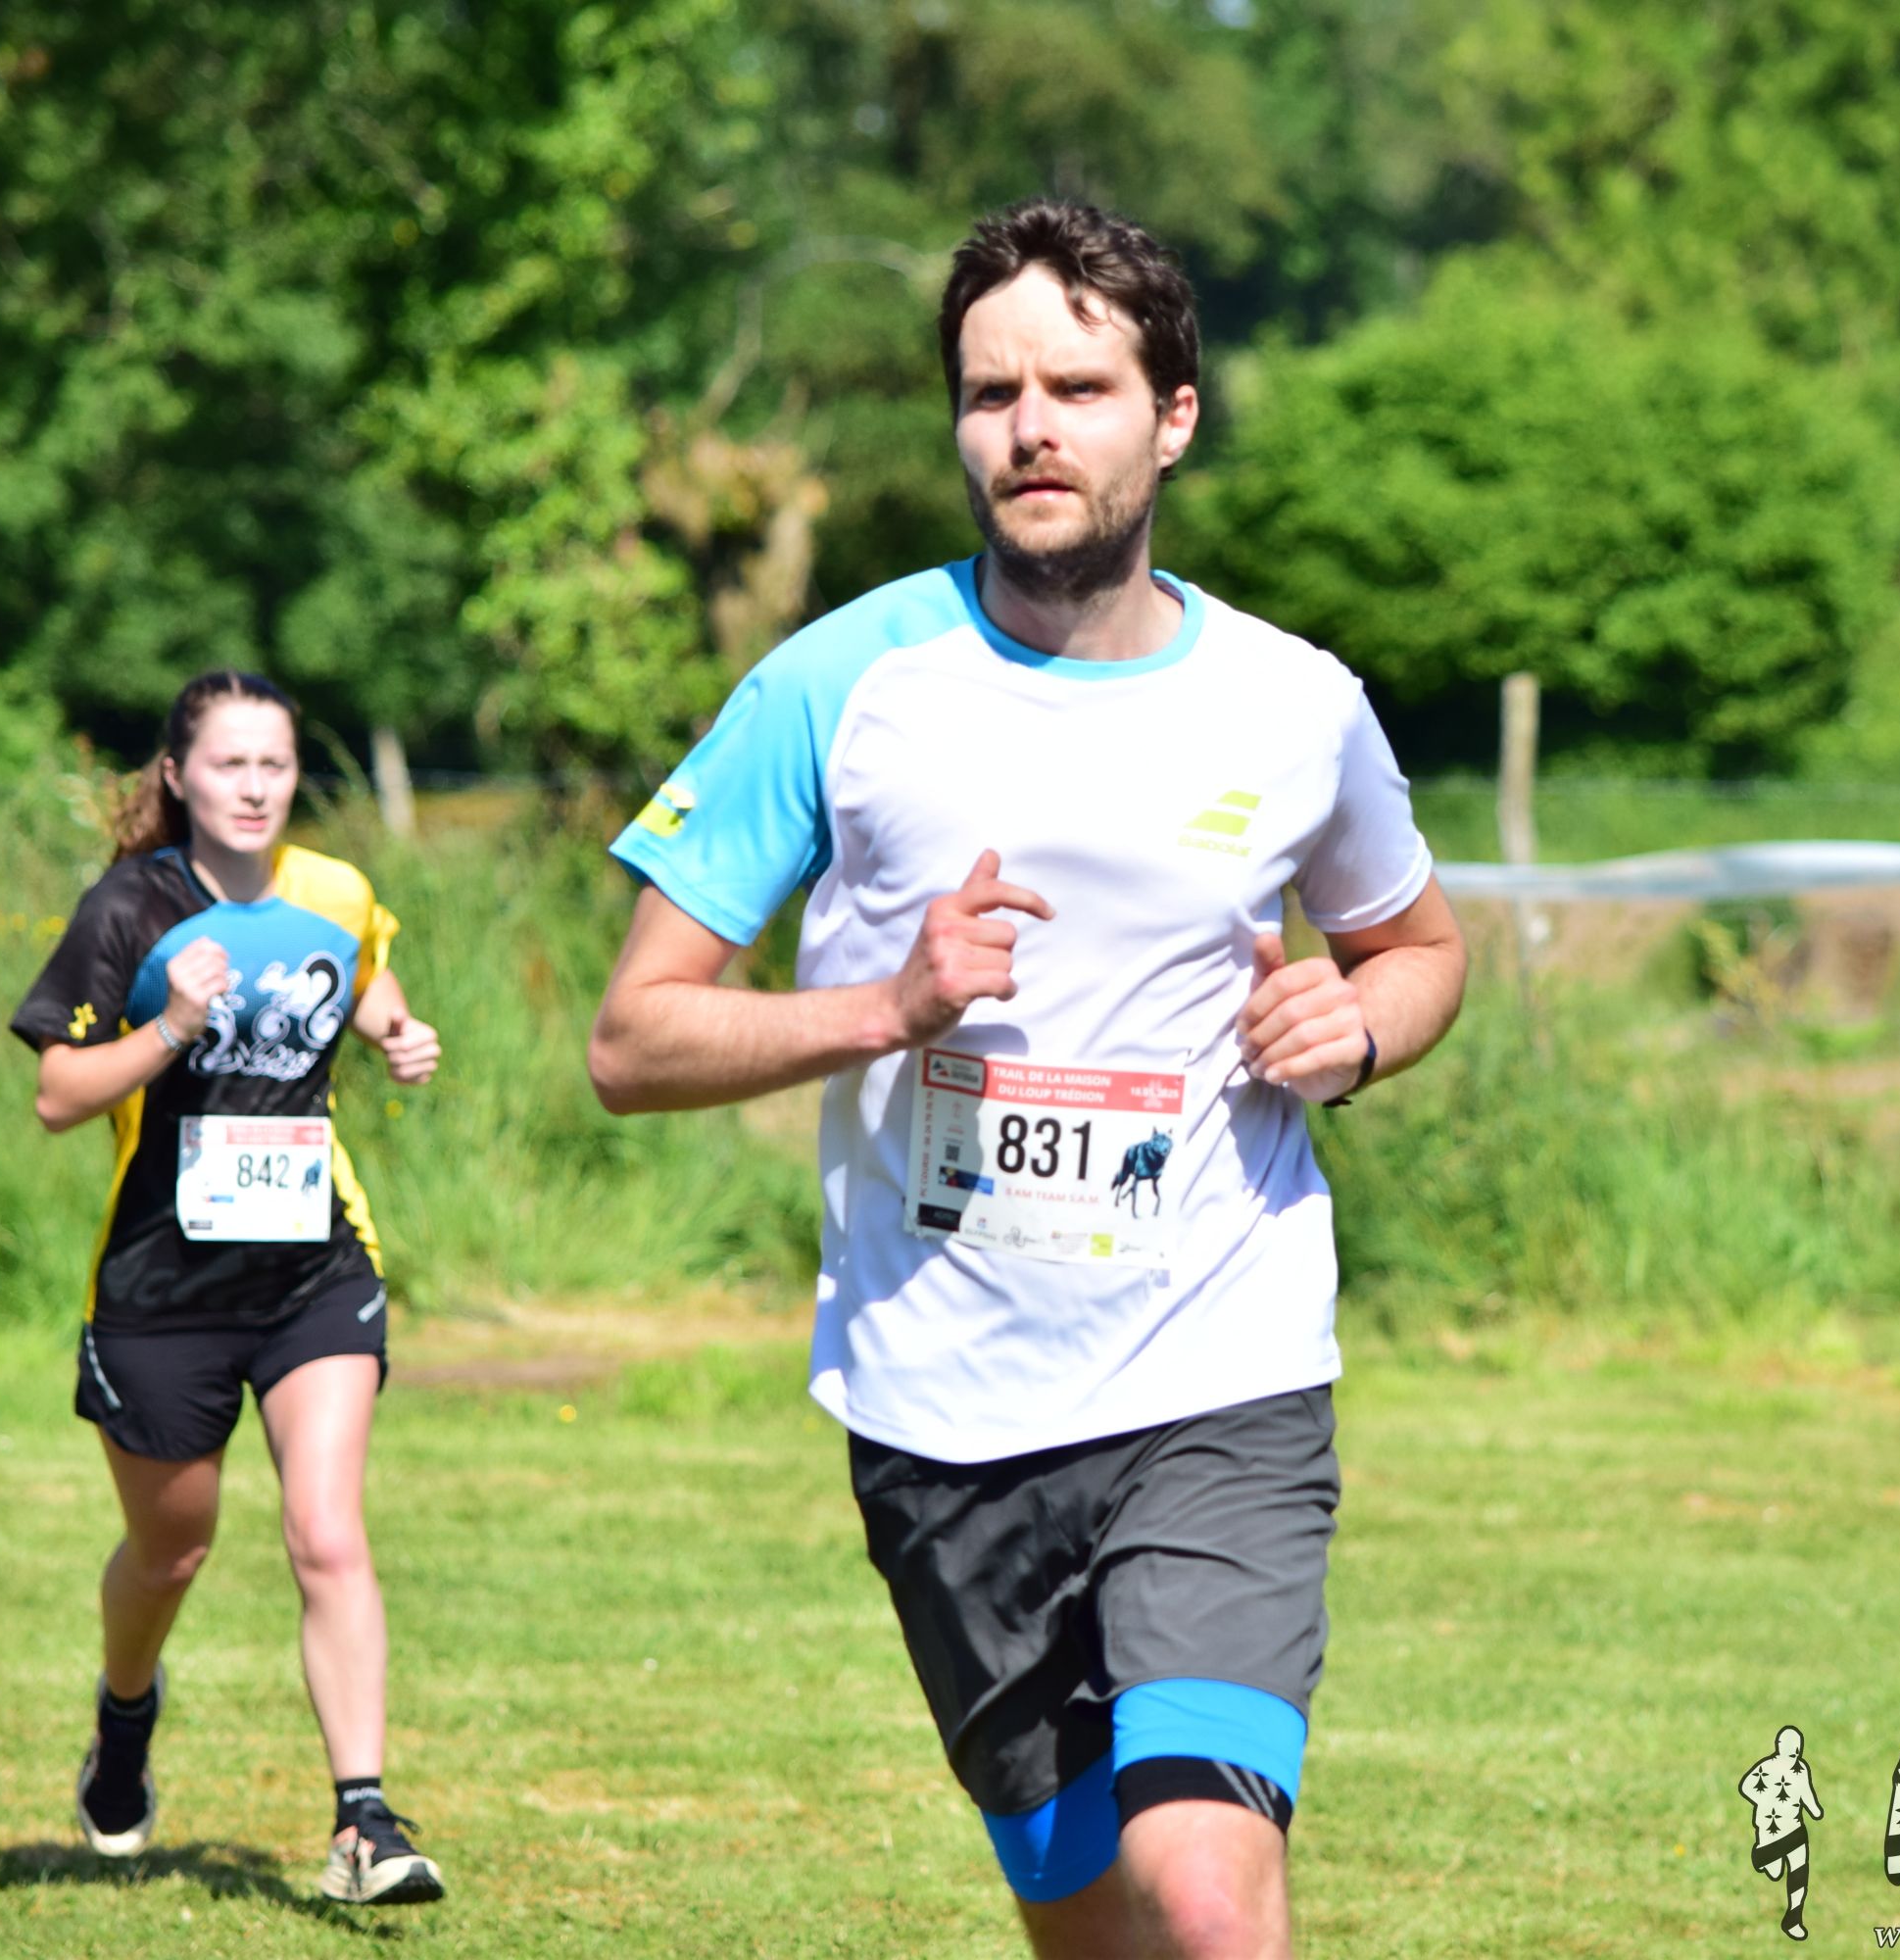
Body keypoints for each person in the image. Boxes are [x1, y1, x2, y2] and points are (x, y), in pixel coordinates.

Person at [589, 201, 1468, 1958]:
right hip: (943, 1416)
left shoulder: (1296, 702)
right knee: (1090, 1925)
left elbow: (1420, 948)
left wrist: (1359, 1028)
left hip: (1219, 1372)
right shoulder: (839, 685)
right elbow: (633, 1039)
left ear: (1174, 416)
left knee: (1206, 1894)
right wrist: (883, 1007)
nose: (1030, 430)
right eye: (992, 394)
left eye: (1078, 387)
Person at [9, 669, 448, 1906]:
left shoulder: (333, 888)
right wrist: (170, 1027)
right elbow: (56, 1094)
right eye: (228, 764)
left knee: (328, 1532)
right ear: (177, 774)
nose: (254, 787)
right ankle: (125, 1717)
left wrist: (395, 1033)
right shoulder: (130, 906)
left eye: (274, 764)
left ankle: (364, 1820)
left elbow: (360, 972)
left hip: (314, 1268)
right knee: (173, 1548)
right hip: (161, 1286)